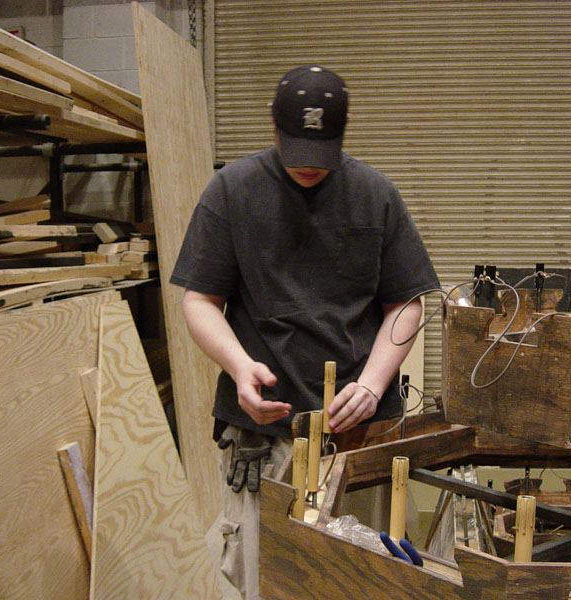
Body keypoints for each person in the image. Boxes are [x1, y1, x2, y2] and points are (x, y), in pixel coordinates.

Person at [170, 65, 439, 600]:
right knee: (264, 581)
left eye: (321, 153)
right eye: (297, 151)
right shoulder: (232, 191)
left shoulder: (376, 195)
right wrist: (239, 367)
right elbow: (200, 301)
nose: (309, 167)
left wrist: (372, 386)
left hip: (358, 435)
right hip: (264, 434)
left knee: (362, 582)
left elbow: (406, 304)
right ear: (273, 126)